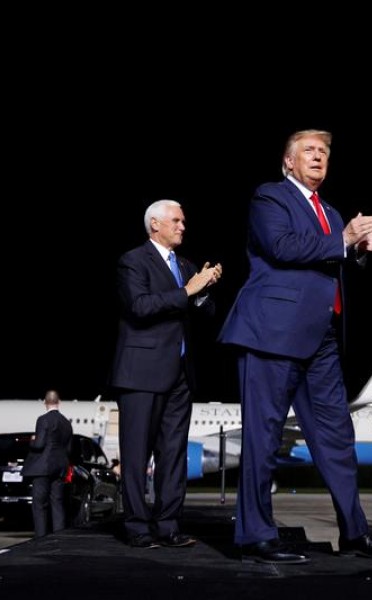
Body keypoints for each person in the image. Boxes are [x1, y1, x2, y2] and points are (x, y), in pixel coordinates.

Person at [218, 129, 372, 564]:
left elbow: (330, 261)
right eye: (308, 151)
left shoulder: (333, 212)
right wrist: (345, 240)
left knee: (338, 439)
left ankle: (356, 534)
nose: (318, 157)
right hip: (272, 334)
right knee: (262, 440)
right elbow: (281, 247)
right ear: (288, 163)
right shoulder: (270, 197)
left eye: (323, 152)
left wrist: (360, 249)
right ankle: (255, 537)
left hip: (320, 339)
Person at [109, 199, 223, 549]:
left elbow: (206, 311)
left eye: (184, 220)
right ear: (154, 224)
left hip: (180, 375)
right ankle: (137, 528)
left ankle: (169, 526)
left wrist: (203, 292)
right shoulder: (133, 261)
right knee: (136, 454)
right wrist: (188, 291)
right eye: (176, 220)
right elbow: (140, 307)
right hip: (141, 374)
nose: (183, 226)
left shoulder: (187, 265)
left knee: (173, 454)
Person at [22, 389, 73, 537]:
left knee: (40, 504)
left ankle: (41, 538)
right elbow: (69, 449)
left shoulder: (43, 420)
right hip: (60, 467)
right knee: (57, 503)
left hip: (43, 468)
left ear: (45, 403)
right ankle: (59, 537)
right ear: (59, 403)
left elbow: (39, 445)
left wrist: (32, 440)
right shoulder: (66, 423)